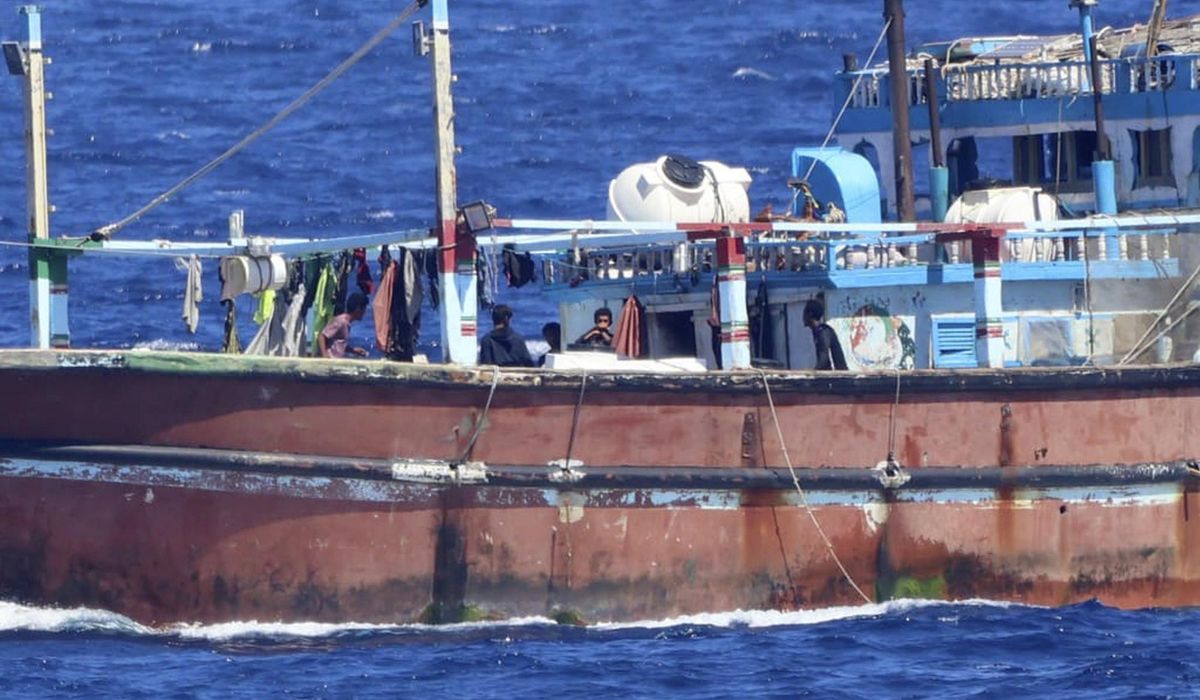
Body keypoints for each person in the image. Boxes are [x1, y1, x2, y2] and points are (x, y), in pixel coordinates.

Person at [318, 291, 369, 359]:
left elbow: (339, 344)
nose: (364, 312)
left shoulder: (347, 323)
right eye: (364, 308)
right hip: (331, 360)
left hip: (336, 361)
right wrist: (324, 356)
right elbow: (322, 336)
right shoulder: (341, 321)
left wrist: (353, 350)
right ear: (358, 309)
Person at [804, 299, 847, 371]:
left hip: (838, 377)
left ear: (810, 314)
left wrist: (813, 372)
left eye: (805, 312)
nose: (803, 316)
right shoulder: (818, 331)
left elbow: (824, 357)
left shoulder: (823, 332)